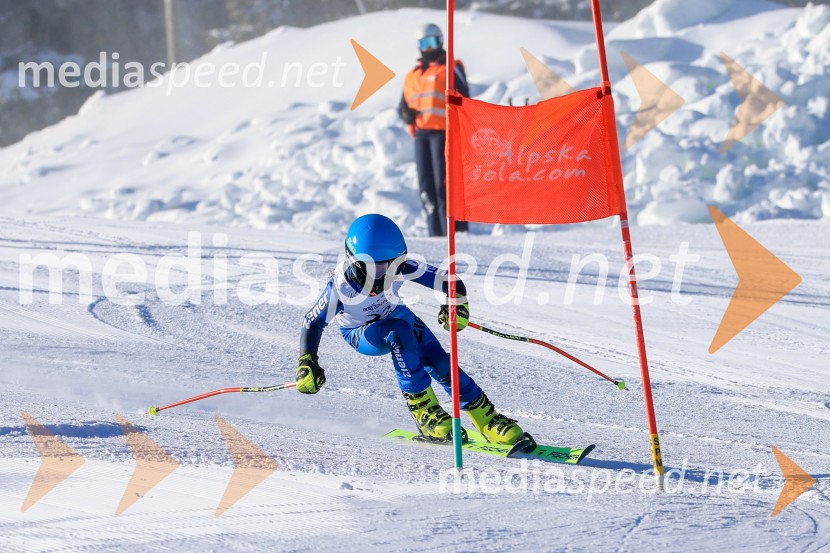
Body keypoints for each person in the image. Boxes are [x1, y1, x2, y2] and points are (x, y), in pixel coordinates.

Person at [296, 213, 524, 445]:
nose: (386, 274)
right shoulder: (341, 287)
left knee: (438, 360)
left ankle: (486, 417)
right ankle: (424, 411)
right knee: (397, 331)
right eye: (376, 269)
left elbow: (450, 282)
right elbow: (312, 322)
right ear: (355, 263)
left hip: (395, 314)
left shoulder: (401, 266)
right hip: (361, 332)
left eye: (393, 266)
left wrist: (457, 305)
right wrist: (307, 361)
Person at [398, 23, 468, 237]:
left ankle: (453, 233)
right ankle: (435, 235)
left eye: (432, 43)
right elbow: (403, 103)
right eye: (423, 44)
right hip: (421, 135)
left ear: (440, 41)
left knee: (442, 185)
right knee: (426, 186)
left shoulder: (450, 68)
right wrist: (405, 113)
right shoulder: (413, 75)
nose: (428, 49)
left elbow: (465, 97)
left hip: (443, 133)